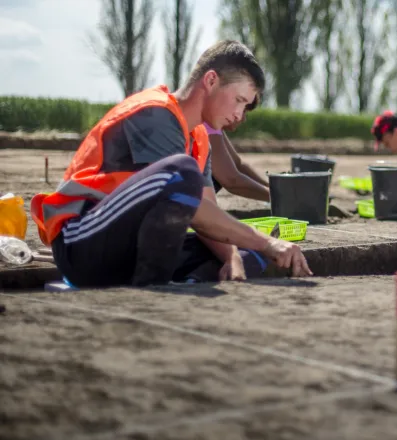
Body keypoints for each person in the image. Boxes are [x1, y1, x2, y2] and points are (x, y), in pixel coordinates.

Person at [30, 40, 312, 288]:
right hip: (82, 244)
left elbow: (208, 214)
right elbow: (198, 210)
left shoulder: (199, 137)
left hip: (125, 251)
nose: (239, 115)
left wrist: (233, 256)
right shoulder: (155, 114)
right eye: (239, 100)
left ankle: (181, 286)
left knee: (249, 254)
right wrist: (266, 240)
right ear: (211, 80)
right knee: (184, 175)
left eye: (246, 105)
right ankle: (159, 286)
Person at [204, 95, 271, 202]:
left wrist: (272, 188)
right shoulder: (207, 125)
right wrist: (279, 198)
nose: (244, 119)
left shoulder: (215, 126)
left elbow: (238, 165)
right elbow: (231, 180)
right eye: (243, 111)